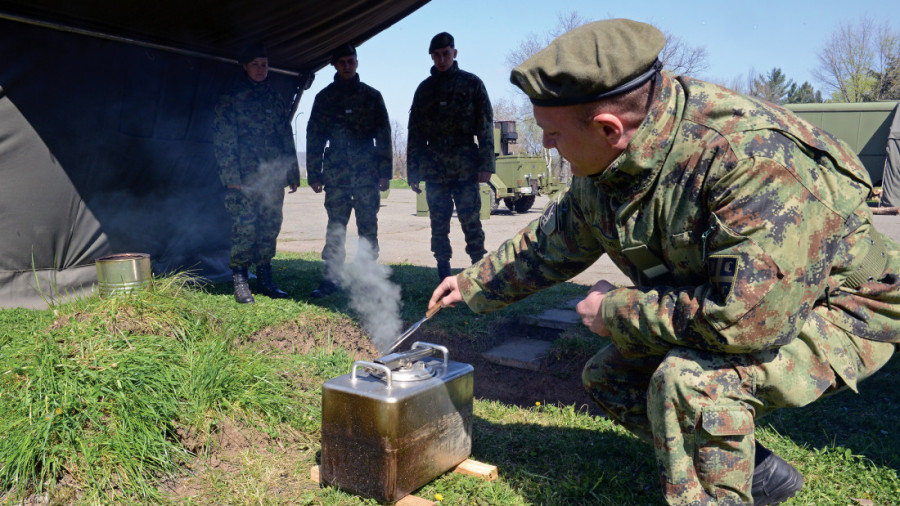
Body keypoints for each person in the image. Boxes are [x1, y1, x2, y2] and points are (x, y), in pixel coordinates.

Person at [429, 19, 900, 506]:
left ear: (608, 128)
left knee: (689, 383)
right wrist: (472, 284)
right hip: (753, 305)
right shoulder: (608, 161)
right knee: (610, 376)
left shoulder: (751, 159)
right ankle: (757, 475)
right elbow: (555, 240)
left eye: (551, 133)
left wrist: (614, 310)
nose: (547, 145)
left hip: (845, 308)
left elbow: (746, 322)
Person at [213, 42, 300, 304]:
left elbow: (285, 135)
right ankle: (240, 280)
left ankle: (265, 278)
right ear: (244, 66)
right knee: (244, 228)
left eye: (264, 64)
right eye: (255, 64)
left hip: (271, 177)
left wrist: (292, 172)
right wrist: (232, 178)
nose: (261, 69)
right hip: (244, 178)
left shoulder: (273, 97)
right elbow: (223, 140)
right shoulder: (232, 97)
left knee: (270, 226)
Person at [407, 32, 495, 281]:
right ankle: (443, 275)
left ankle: (480, 276)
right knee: (438, 224)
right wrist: (413, 171)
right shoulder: (424, 89)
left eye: (445, 53)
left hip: (466, 166)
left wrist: (486, 164)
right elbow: (414, 133)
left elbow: (485, 126)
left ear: (454, 53)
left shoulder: (472, 84)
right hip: (435, 169)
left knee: (471, 221)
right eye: (436, 55)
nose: (441, 59)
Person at [306, 44, 392, 298]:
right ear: (335, 65)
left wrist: (385, 171)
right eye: (342, 61)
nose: (347, 65)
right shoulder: (324, 98)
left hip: (367, 173)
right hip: (337, 175)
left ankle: (367, 279)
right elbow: (315, 137)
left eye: (351, 61)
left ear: (357, 62)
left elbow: (384, 136)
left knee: (368, 226)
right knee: (336, 226)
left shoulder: (371, 96)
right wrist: (314, 173)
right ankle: (331, 278)